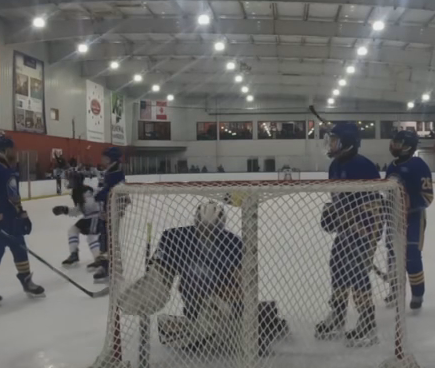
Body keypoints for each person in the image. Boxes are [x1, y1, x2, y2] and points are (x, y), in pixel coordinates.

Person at [120, 202, 288, 354]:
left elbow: (243, 286)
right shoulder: (177, 238)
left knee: (253, 338)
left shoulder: (234, 244)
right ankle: (210, 330)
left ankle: (261, 321)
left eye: (212, 230)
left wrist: (222, 299)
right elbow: (161, 272)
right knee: (191, 339)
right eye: (203, 229)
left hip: (222, 306)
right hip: (195, 308)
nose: (207, 235)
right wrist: (152, 288)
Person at [316, 122, 382, 345]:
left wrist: (355, 223)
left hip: (365, 229)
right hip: (346, 229)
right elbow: (339, 199)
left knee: (356, 272)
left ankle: (368, 322)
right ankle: (338, 314)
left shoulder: (363, 166)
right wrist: (332, 213)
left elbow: (373, 205)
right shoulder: (334, 165)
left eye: (334, 140)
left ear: (348, 143)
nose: (331, 144)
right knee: (337, 267)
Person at [0, 132, 44, 305]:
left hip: (12, 220)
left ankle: (26, 281)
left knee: (20, 250)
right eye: (10, 149)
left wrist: (22, 214)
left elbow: (14, 196)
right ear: (1, 150)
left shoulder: (10, 170)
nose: (14, 152)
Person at [384, 129, 434, 310]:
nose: (394, 145)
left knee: (412, 255)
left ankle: (417, 293)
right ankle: (395, 290)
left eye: (399, 142)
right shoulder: (392, 166)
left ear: (408, 146)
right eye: (394, 141)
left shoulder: (418, 165)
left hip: (414, 218)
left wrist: (407, 202)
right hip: (393, 217)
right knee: (392, 254)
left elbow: (427, 197)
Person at [91, 146, 126, 283]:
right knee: (106, 237)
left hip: (114, 209)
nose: (102, 159)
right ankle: (110, 265)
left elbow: (111, 189)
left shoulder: (115, 171)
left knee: (109, 238)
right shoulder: (112, 170)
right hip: (110, 208)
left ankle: (110, 266)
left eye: (105, 156)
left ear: (111, 158)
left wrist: (100, 195)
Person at [53, 186, 102, 267]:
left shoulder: (87, 192)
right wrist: (65, 210)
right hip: (88, 217)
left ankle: (98, 258)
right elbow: (79, 210)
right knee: (73, 230)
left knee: (91, 237)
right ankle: (74, 254)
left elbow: (92, 206)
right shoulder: (79, 192)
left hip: (96, 217)